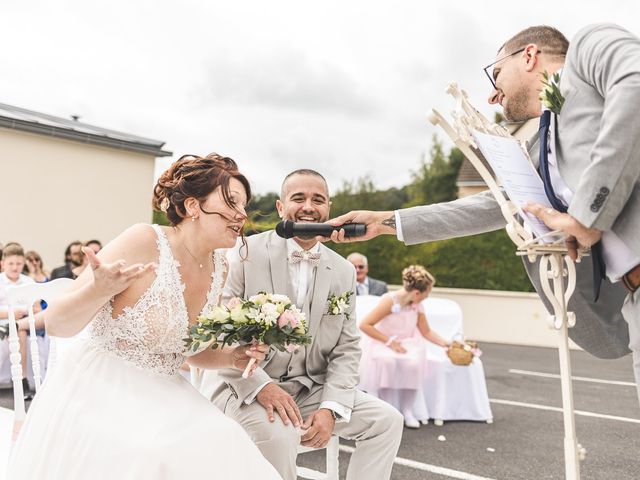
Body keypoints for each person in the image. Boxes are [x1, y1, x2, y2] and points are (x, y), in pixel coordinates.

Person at [326, 24, 640, 404]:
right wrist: (386, 222)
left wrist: (588, 217)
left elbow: (635, 86)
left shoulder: (592, 45)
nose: (492, 95)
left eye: (495, 74)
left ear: (529, 55)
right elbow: (496, 205)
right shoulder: (541, 145)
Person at [8, 154, 281, 480]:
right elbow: (56, 324)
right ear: (194, 206)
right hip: (102, 386)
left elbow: (189, 350)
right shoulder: (144, 240)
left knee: (228, 440)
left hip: (165, 390)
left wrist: (232, 357)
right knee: (158, 453)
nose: (242, 215)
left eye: (244, 205)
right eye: (232, 202)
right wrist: (97, 289)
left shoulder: (220, 266)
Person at [196, 169, 403, 480]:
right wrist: (263, 387)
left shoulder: (344, 270)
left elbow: (347, 347)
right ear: (281, 207)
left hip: (310, 391)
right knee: (280, 437)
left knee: (387, 420)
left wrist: (331, 407)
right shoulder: (242, 254)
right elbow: (220, 334)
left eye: (317, 200)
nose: (309, 206)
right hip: (243, 387)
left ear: (329, 209)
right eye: (298, 198)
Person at [359, 265, 449, 428]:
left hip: (408, 343)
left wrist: (446, 344)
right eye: (427, 293)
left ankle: (407, 411)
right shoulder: (389, 300)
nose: (427, 296)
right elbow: (365, 325)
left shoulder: (417, 306)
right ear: (416, 293)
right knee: (387, 362)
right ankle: (388, 410)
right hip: (384, 342)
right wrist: (390, 342)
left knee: (413, 364)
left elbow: (426, 332)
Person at [0, 244, 40, 400]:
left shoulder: (28, 281)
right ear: (3, 263)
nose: (15, 267)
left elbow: (37, 308)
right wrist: (11, 313)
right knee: (18, 331)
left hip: (23, 321)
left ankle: (22, 380)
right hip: (3, 319)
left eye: (18, 264)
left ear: (23, 263)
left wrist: (22, 312)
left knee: (20, 330)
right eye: (11, 263)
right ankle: (21, 381)